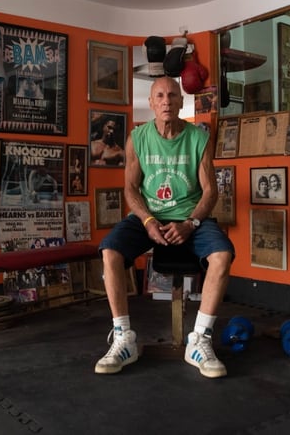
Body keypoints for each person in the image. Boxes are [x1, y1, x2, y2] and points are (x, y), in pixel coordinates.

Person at [95, 76, 235, 379]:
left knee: (222, 255)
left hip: (191, 218)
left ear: (181, 102)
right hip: (149, 216)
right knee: (110, 250)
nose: (166, 101)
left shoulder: (198, 137)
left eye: (173, 95)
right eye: (159, 96)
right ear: (151, 103)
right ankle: (124, 338)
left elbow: (210, 190)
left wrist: (190, 223)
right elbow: (131, 189)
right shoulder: (138, 138)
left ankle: (198, 340)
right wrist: (147, 221)